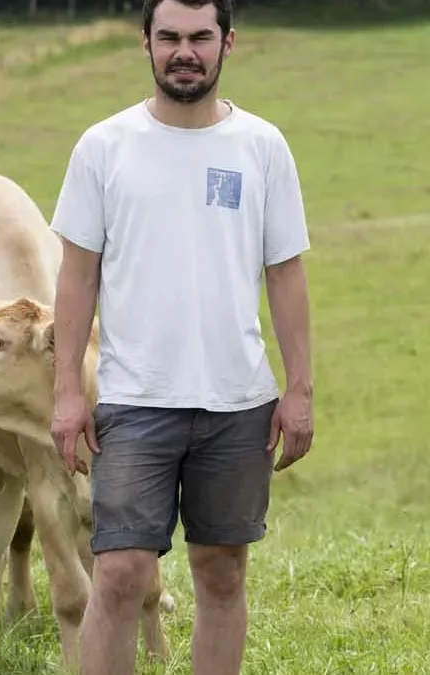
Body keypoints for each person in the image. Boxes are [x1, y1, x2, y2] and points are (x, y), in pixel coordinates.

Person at [47, 1, 314, 674]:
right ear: (146, 43)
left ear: (229, 43)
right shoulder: (103, 146)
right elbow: (76, 278)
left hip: (239, 400)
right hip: (133, 402)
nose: (184, 51)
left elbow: (285, 274)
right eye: (169, 37)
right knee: (119, 575)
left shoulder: (262, 146)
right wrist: (67, 393)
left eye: (200, 37)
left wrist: (300, 390)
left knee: (221, 573)